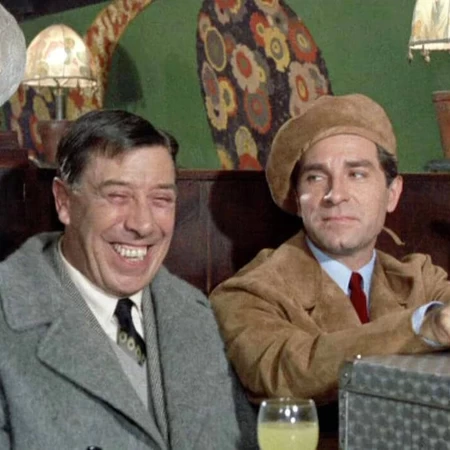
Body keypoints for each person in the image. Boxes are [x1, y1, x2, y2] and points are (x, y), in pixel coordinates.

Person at [0, 109, 257, 449]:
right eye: (118, 196)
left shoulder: (195, 315)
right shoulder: (8, 320)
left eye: (161, 199)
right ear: (64, 202)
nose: (143, 224)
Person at [210, 93, 450, 443]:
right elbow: (286, 371)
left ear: (392, 193)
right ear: (297, 199)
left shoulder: (421, 279)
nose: (336, 194)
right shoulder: (247, 292)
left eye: (357, 174)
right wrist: (422, 327)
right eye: (315, 178)